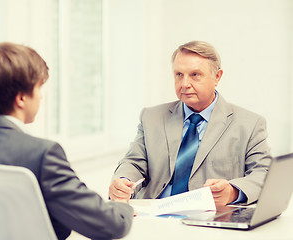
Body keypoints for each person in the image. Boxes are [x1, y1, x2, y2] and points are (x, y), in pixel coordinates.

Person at [0, 42, 133, 240]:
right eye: (39, 88)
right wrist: (122, 205)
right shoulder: (43, 154)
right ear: (21, 98)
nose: (41, 96)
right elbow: (111, 225)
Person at [109, 40, 271, 207]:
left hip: (210, 220)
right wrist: (123, 181)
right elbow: (134, 162)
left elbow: (264, 173)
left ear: (217, 77)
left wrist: (233, 191)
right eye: (179, 74)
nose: (185, 84)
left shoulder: (250, 124)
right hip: (154, 214)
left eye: (195, 75)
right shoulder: (151, 117)